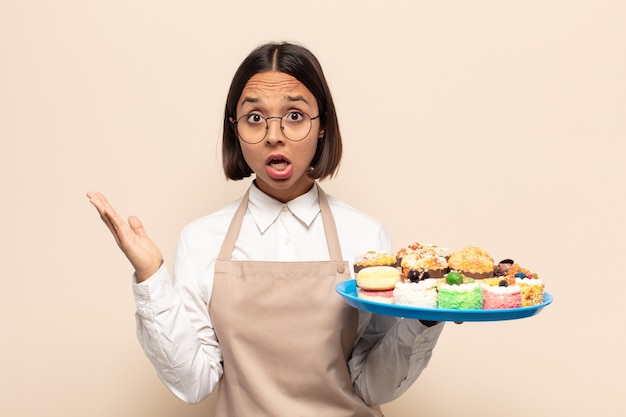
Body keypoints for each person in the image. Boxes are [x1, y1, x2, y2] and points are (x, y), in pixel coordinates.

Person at [87, 41, 444, 417]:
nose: (274, 135)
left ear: (322, 126)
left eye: (294, 115)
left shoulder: (365, 237)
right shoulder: (201, 239)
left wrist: (425, 317)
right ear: (235, 130)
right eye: (255, 118)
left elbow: (374, 385)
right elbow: (194, 384)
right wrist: (150, 276)